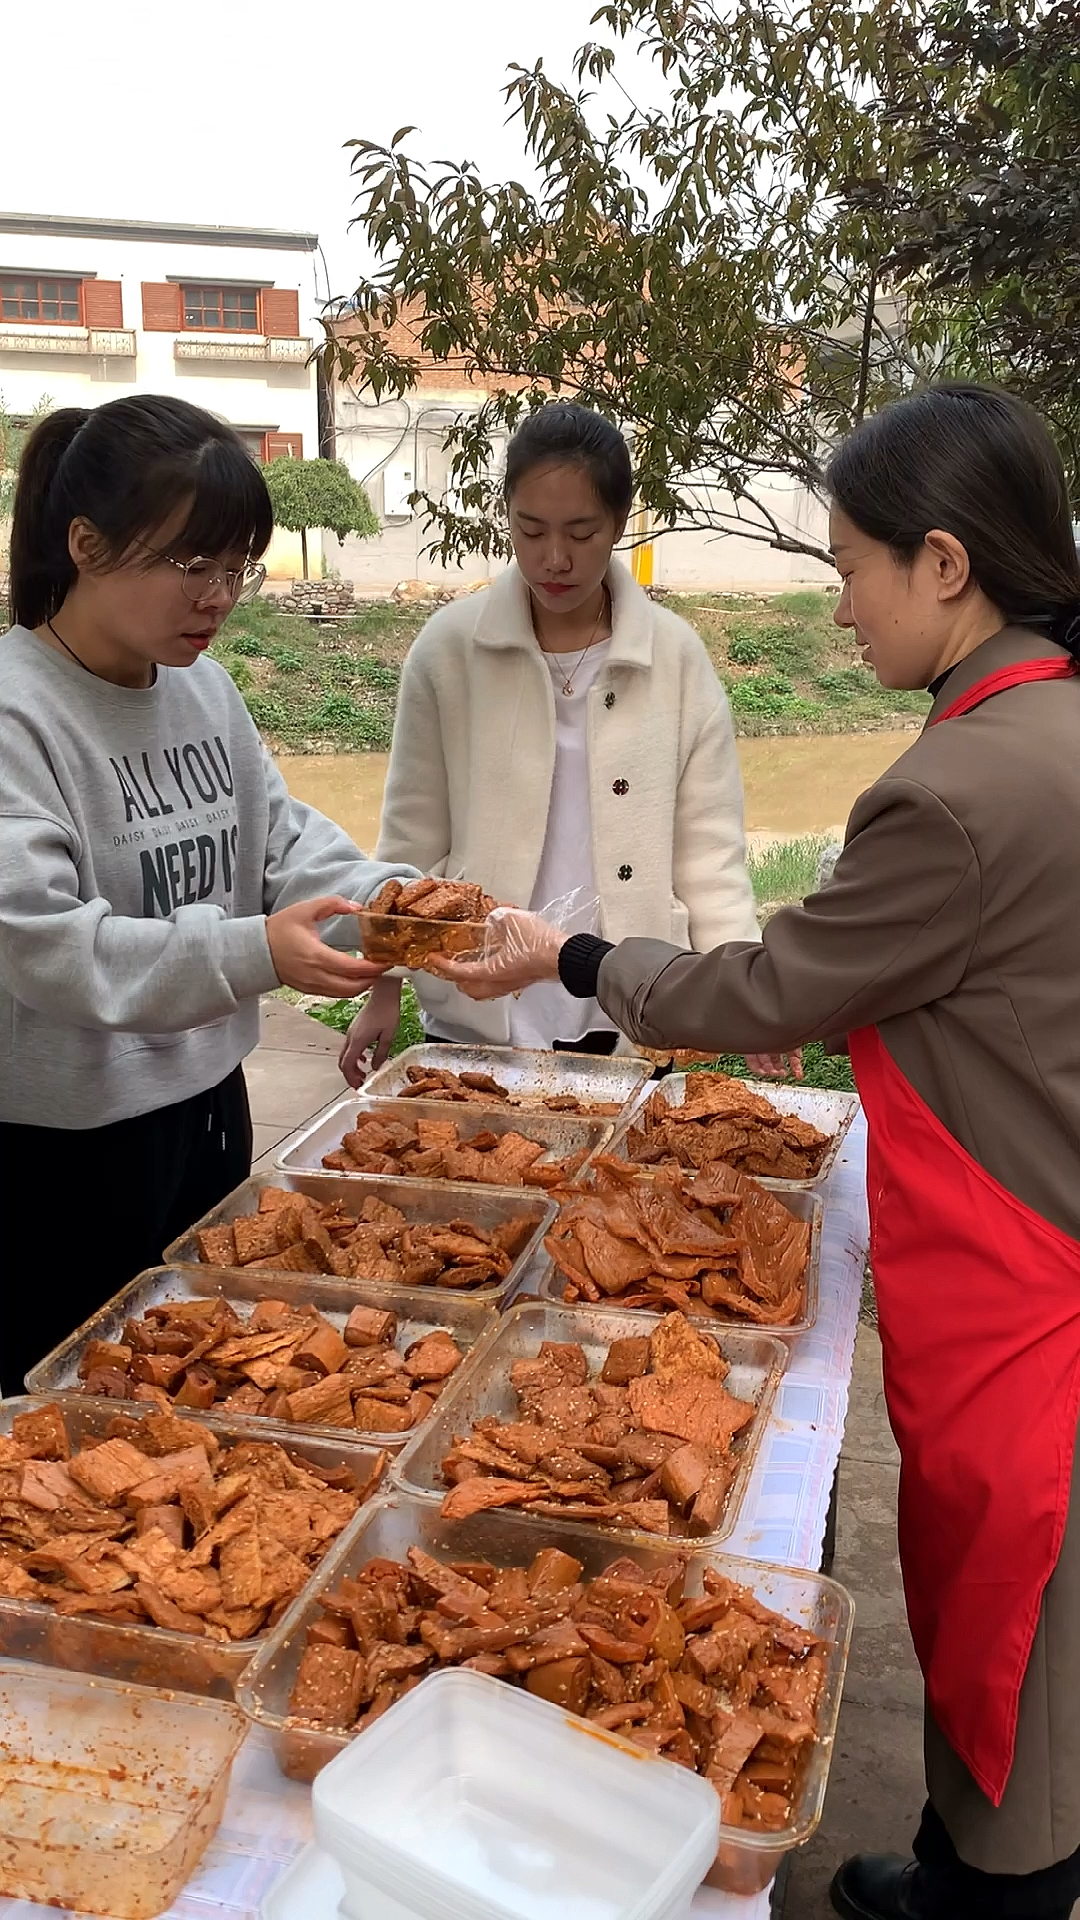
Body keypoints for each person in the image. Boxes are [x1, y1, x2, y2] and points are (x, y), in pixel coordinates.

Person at [435, 384, 1080, 1920]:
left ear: (943, 561)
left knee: (1017, 1596)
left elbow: (776, 986)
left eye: (849, 567)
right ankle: (963, 1852)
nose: (840, 606)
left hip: (1021, 1252)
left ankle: (998, 1886)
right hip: (1032, 1208)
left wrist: (582, 959)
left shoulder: (964, 787)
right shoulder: (1049, 712)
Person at [0, 395, 411, 1394]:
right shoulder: (19, 712)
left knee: (211, 1389)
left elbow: (278, 843)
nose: (219, 595)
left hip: (210, 1119)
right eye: (191, 563)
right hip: (62, 1160)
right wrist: (255, 953)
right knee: (73, 1433)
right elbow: (51, 947)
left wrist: (395, 905)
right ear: (86, 544)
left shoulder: (204, 692)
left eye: (236, 566)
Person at [339, 401, 791, 1083]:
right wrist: (384, 985)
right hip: (480, 998)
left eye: (582, 532)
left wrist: (749, 999)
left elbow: (710, 855)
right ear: (508, 519)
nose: (554, 559)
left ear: (618, 523)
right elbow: (410, 845)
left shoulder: (673, 657)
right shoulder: (449, 650)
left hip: (631, 990)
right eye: (532, 530)